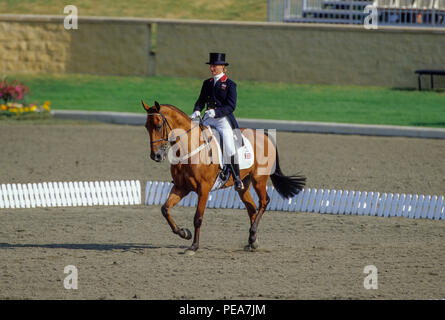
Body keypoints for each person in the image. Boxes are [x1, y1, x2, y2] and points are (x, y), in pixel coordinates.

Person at [190, 52, 244, 191]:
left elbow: (231, 106)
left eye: (214, 66)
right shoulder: (207, 83)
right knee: (193, 137)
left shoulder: (230, 84)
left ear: (222, 67)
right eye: (211, 66)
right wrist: (197, 110)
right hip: (208, 118)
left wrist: (216, 112)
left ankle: (237, 178)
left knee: (228, 145)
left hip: (222, 120)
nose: (212, 68)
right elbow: (201, 100)